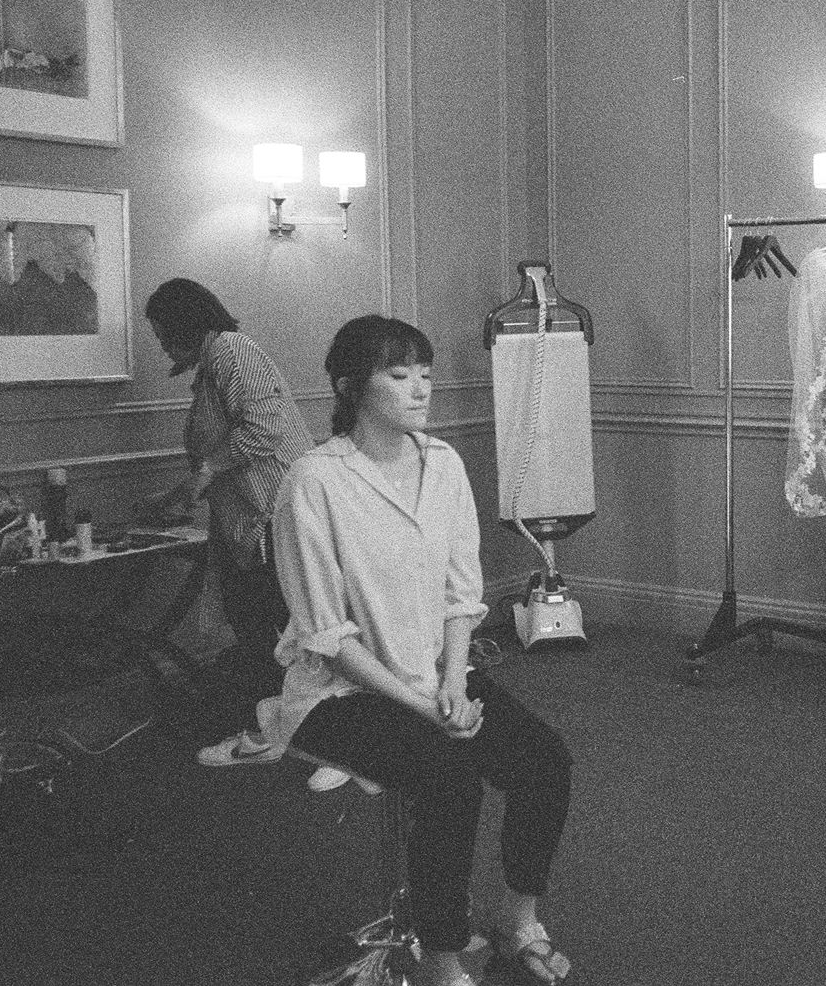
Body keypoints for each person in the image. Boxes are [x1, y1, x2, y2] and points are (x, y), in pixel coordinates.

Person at [266, 315, 574, 986]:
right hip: (338, 692)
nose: (420, 389)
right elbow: (328, 634)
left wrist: (456, 683)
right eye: (399, 374)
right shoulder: (313, 483)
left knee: (544, 759)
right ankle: (440, 958)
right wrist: (423, 704)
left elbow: (462, 593)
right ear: (351, 387)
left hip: (436, 673)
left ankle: (518, 919)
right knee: (449, 777)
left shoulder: (445, 465)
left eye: (426, 375)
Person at [142, 278, 350, 793]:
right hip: (248, 527)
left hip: (280, 519)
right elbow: (218, 456)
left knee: (303, 636)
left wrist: (206, 472)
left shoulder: (234, 351)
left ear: (184, 322)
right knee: (263, 634)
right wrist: (176, 497)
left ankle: (346, 744)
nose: (160, 342)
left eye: (162, 330)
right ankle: (273, 730)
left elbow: (265, 428)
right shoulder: (210, 370)